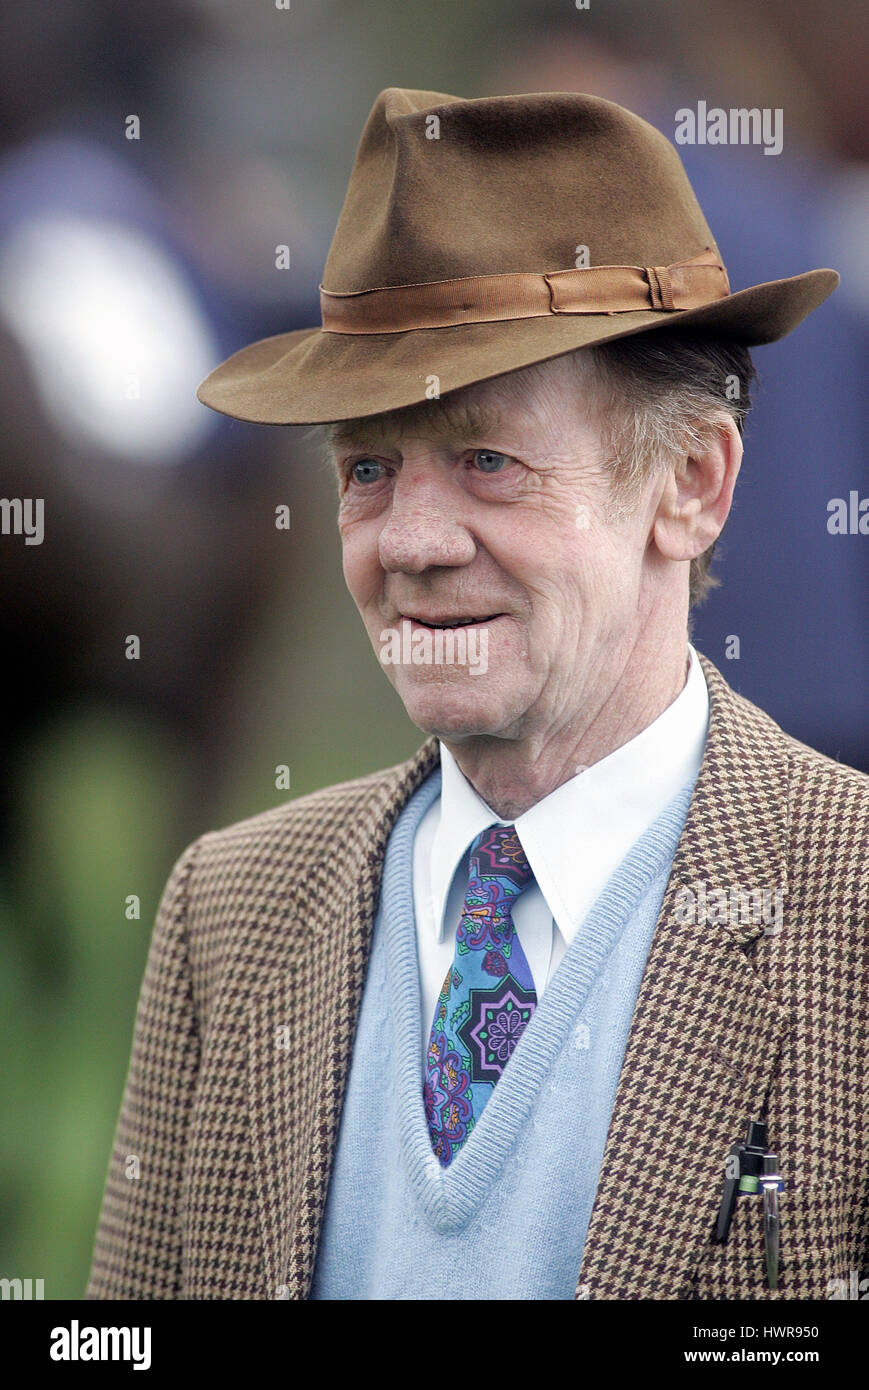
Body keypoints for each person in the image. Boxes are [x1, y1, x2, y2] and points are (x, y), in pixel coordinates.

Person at [86, 87, 867, 1301]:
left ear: (691, 483)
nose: (409, 541)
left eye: (487, 461)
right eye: (368, 469)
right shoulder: (224, 914)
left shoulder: (849, 911)